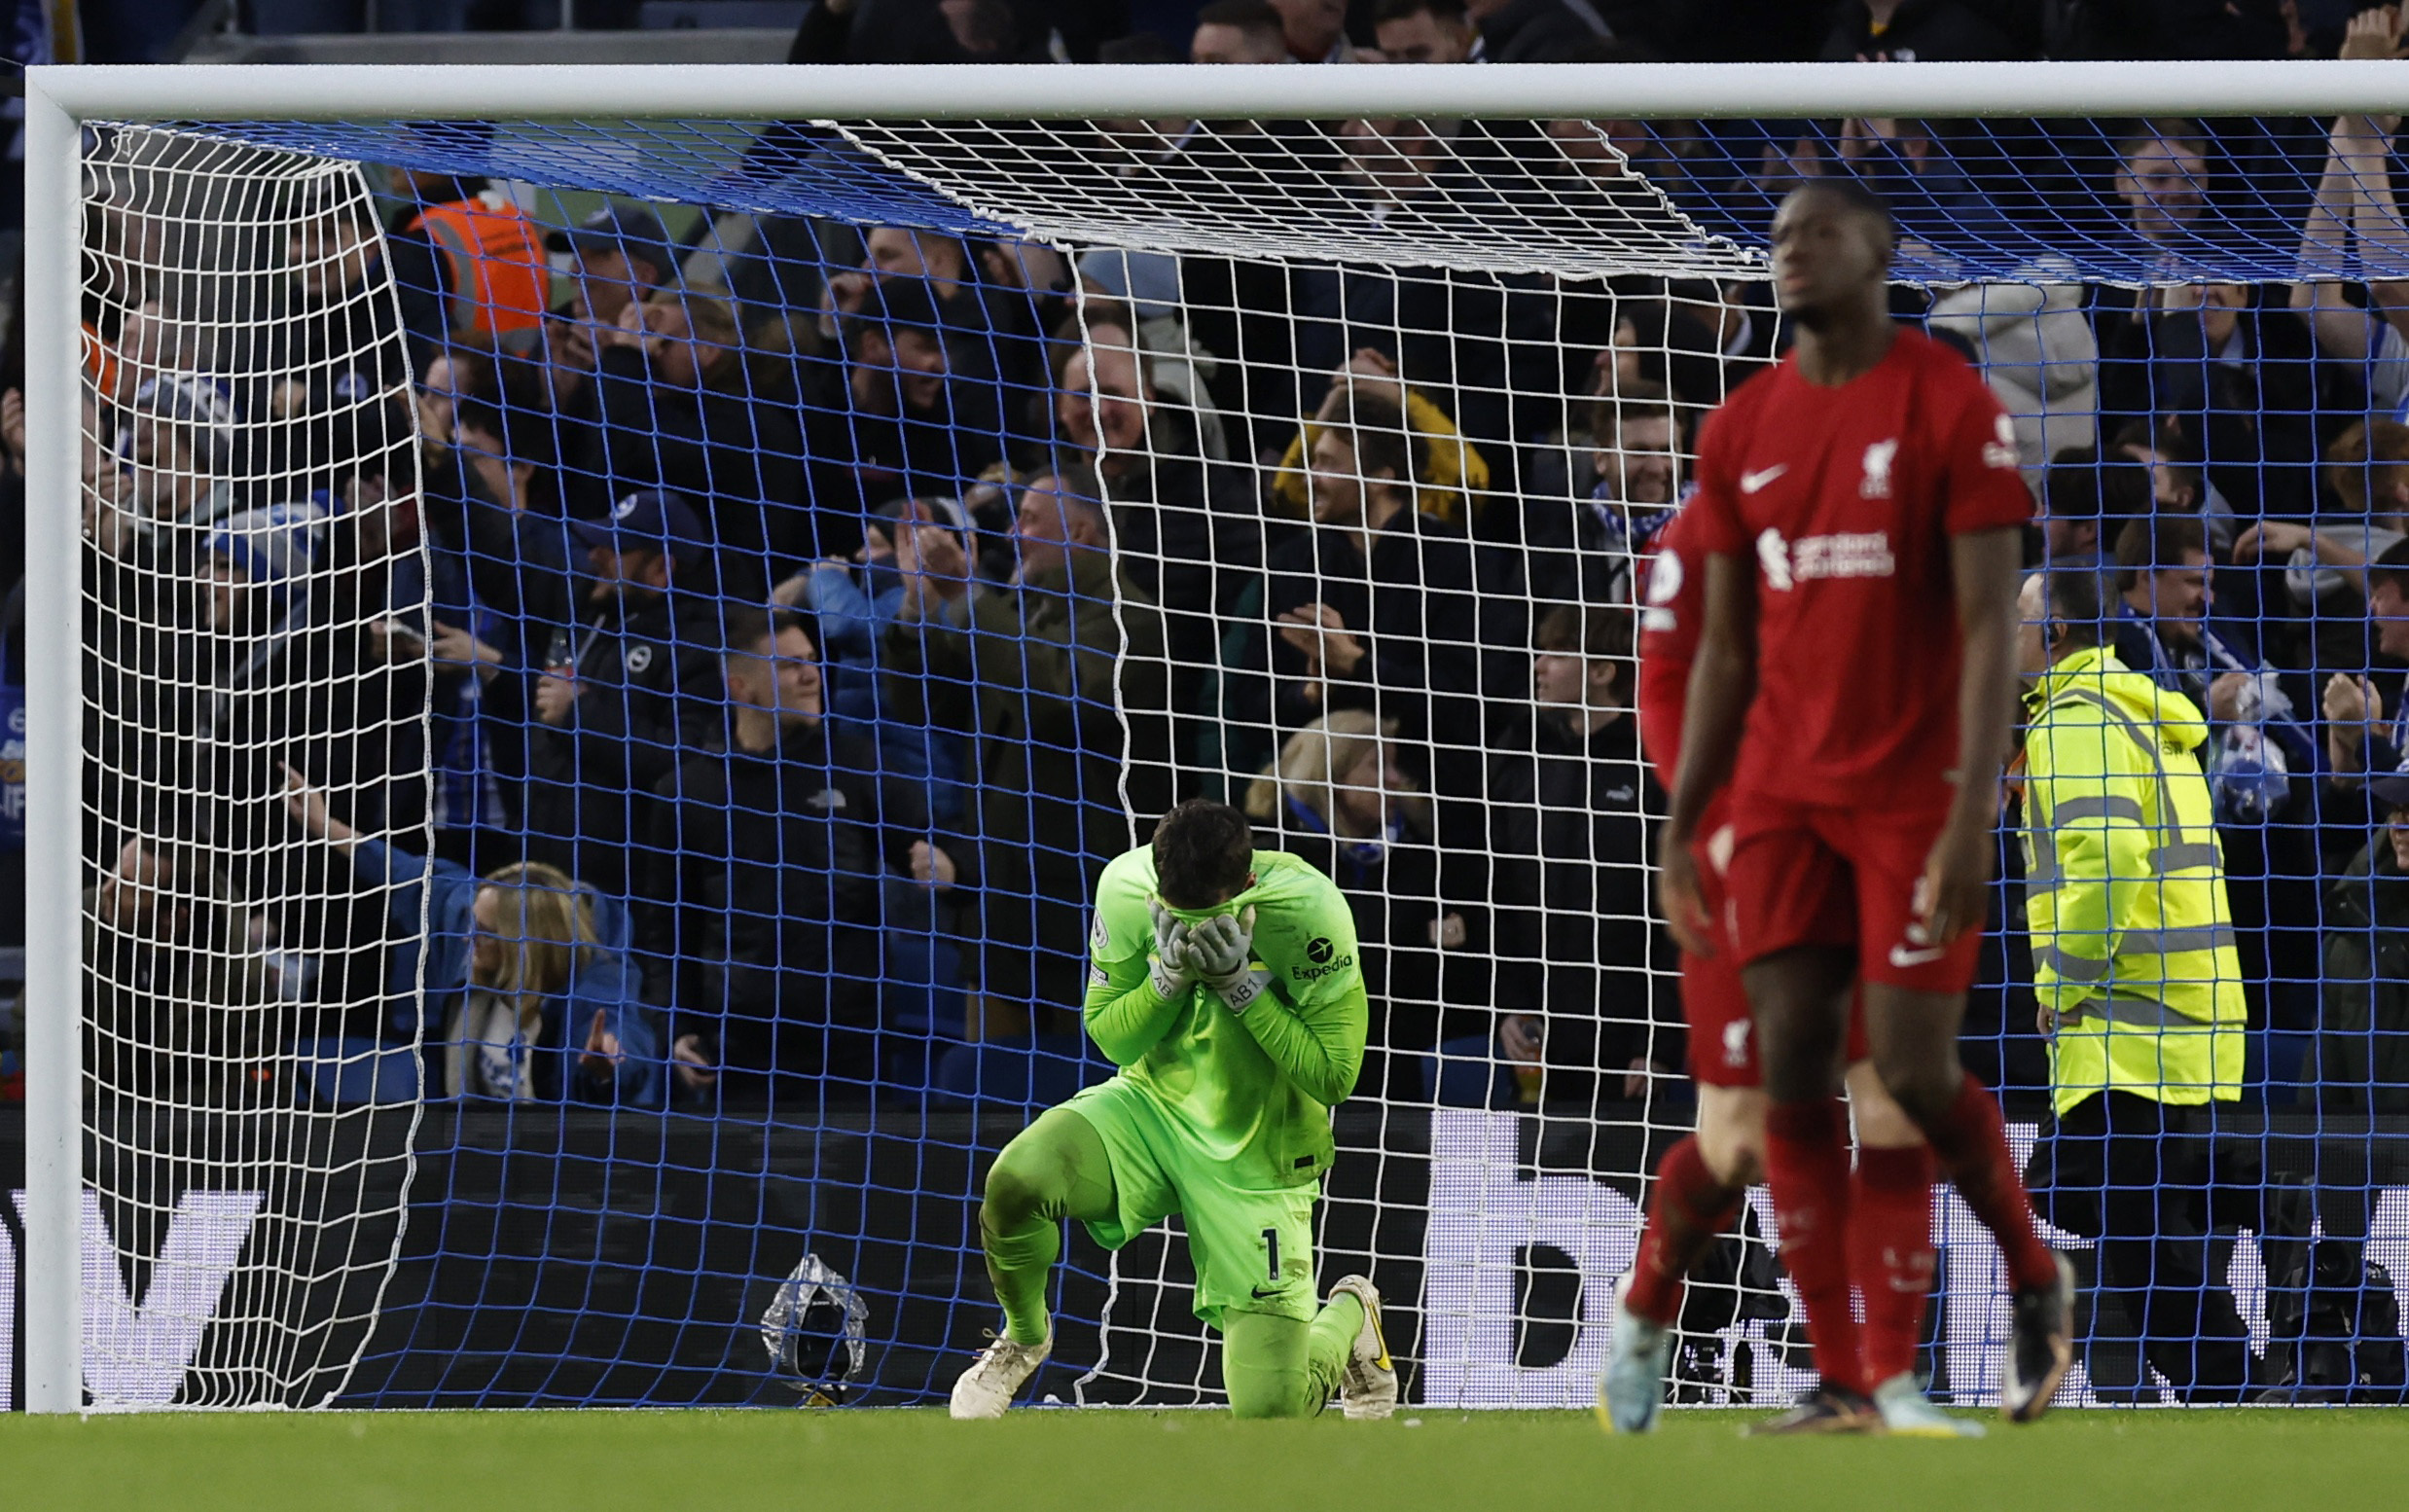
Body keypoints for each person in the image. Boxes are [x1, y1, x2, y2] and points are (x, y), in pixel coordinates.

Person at [1659, 179, 2072, 1432]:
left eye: (1819, 233)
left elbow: (1993, 624)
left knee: (1904, 1065)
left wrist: (1968, 815)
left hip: (1909, 798)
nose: (1794, 253)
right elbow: (1724, 652)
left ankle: (2032, 1272)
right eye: (1779, 237)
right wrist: (1683, 824)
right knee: (1791, 1064)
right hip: (1782, 792)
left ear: (1882, 254)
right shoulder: (1738, 428)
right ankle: (1845, 1378)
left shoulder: (1948, 403)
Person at [1602, 502, 1964, 1439]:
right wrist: (1715, 821)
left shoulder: (1865, 537)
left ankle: (1882, 1382)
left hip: (1853, 852)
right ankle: (1646, 1307)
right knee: (1740, 1143)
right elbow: (1665, 687)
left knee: (1889, 1099)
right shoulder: (1697, 543)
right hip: (1746, 867)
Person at [949, 798, 1394, 1421]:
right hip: (1151, 1111)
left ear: (1246, 884)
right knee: (1017, 1181)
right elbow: (1111, 1037)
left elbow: (1334, 1075)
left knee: (1273, 1408)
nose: (1186, 927)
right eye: (1174, 911)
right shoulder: (1126, 888)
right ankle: (1023, 1337)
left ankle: (1350, 1315)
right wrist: (1167, 979)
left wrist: (1242, 987)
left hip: (1260, 1153)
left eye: (1203, 915)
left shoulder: (1307, 911)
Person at [2014, 567, 2252, 1402]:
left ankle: (2228, 1374)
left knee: (2097, 1201)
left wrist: (2063, 980)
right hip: (2184, 1008)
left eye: (2021, 624)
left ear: (2055, 637)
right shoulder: (2143, 716)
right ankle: (2250, 1212)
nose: (2011, 640)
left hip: (2123, 1017)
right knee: (2116, 1204)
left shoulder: (2074, 721)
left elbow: (2109, 858)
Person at [883, 469, 1169, 1026]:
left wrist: (968, 593)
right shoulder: (1025, 618)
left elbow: (1058, 701)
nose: (1013, 534)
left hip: (1078, 923)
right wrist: (919, 604)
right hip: (1003, 915)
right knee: (988, 1098)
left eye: (1030, 520)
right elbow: (926, 707)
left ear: (1082, 533)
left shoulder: (1129, 619)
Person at [641, 605, 931, 1096]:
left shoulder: (858, 767)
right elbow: (669, 930)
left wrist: (948, 866)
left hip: (852, 1045)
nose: (809, 675)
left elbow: (935, 848)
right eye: (788, 665)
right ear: (740, 687)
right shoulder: (687, 792)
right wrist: (677, 1027)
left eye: (811, 659)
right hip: (739, 1050)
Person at [280, 765, 666, 1107]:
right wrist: (325, 825)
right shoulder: (475, 921)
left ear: (524, 943)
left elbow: (623, 1043)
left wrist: (608, 1068)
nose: (468, 939)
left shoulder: (591, 991)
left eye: (484, 934)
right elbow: (410, 874)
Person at [1242, 711, 1485, 1101]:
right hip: (1287, 1080)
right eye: (1377, 765)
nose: (1394, 778)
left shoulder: (1423, 860)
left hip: (1393, 1081)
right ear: (1330, 774)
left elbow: (1450, 991)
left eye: (1394, 763)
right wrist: (1417, 942)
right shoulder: (1269, 863)